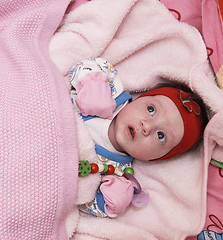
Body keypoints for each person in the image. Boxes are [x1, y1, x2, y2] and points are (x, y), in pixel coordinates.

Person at [70, 58, 207, 218]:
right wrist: (92, 84)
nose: (147, 126)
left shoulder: (115, 173)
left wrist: (110, 201)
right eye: (150, 109)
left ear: (156, 158)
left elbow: (83, 200)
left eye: (161, 136)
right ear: (140, 98)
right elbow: (89, 65)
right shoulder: (112, 92)